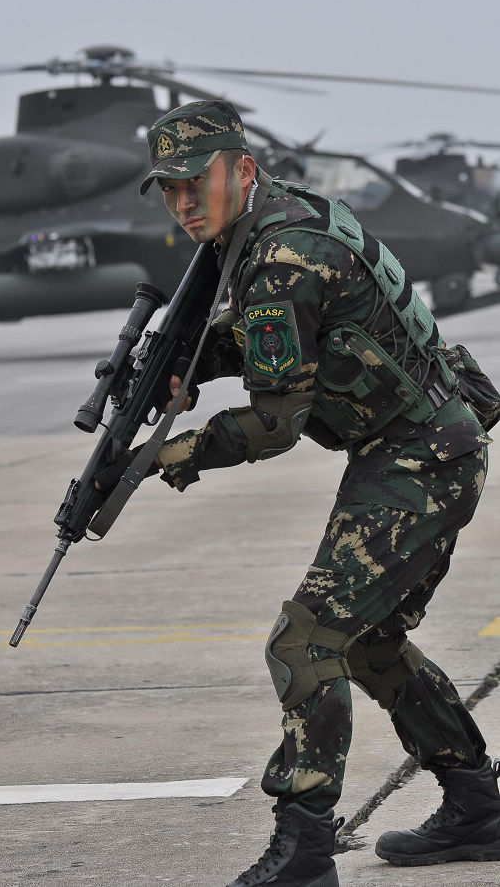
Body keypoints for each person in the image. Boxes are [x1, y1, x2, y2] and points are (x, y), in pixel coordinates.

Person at [137, 99, 500, 887]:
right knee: (367, 642)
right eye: (168, 191)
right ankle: (477, 806)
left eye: (195, 182)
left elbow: (276, 422)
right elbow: (292, 332)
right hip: (422, 445)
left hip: (418, 461)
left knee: (304, 643)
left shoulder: (280, 254)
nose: (184, 203)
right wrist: (195, 359)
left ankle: (304, 848)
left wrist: (177, 453)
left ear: (240, 169)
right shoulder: (281, 220)